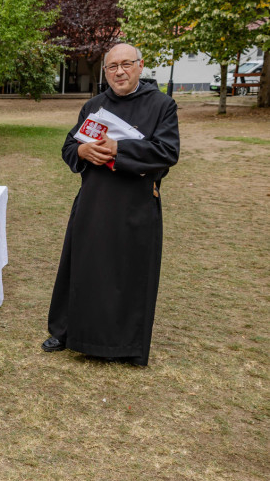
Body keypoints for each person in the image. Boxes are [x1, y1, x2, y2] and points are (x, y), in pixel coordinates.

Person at [41, 43, 180, 366]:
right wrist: (81, 151)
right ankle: (67, 331)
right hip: (94, 200)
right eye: (112, 67)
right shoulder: (94, 106)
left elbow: (167, 152)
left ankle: (122, 344)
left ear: (140, 66)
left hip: (135, 203)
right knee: (82, 268)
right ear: (105, 72)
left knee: (127, 274)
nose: (119, 72)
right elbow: (68, 147)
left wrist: (119, 148)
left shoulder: (162, 105)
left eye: (126, 64)